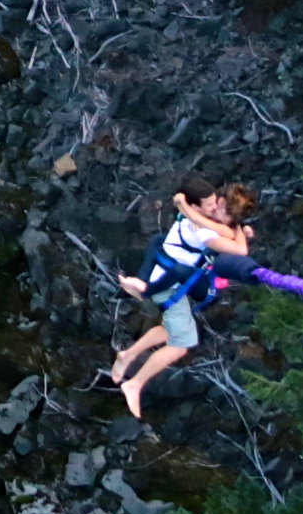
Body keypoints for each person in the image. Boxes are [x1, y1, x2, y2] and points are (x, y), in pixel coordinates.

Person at [105, 179, 256, 418]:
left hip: (166, 277)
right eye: (218, 207)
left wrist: (239, 227)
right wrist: (238, 230)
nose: (217, 210)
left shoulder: (202, 216)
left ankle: (127, 355)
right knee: (181, 345)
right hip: (167, 287)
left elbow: (230, 230)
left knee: (169, 329)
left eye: (221, 207)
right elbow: (240, 250)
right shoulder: (205, 230)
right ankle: (134, 384)